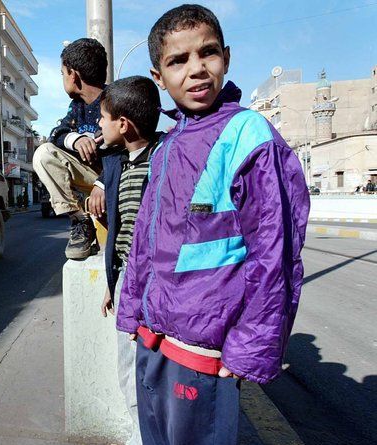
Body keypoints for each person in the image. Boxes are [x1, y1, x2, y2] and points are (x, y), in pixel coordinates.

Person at [115, 5, 310, 445]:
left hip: (204, 352)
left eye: (208, 53)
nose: (197, 69)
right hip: (153, 341)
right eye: (178, 61)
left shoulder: (248, 134)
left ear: (227, 56)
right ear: (158, 76)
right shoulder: (166, 148)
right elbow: (144, 242)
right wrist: (131, 313)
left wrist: (249, 347)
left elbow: (274, 253)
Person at [90, 76, 163, 445]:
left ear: (124, 124)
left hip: (157, 286)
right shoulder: (118, 164)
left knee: (152, 374)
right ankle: (141, 436)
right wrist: (111, 283)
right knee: (128, 372)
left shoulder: (166, 156)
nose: (99, 125)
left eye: (103, 118)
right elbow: (119, 235)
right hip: (125, 284)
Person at [32, 38, 107, 259]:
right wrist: (75, 139)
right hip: (89, 175)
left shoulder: (114, 101)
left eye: (63, 73)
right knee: (43, 153)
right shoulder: (77, 106)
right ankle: (79, 221)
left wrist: (103, 183)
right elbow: (57, 133)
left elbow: (124, 152)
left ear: (73, 75)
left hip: (114, 177)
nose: (63, 79)